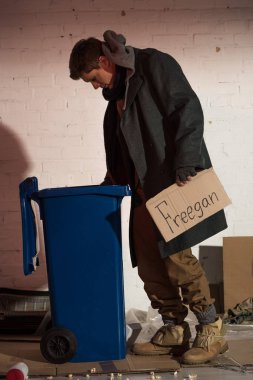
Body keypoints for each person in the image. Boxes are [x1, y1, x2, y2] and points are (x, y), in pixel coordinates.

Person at [69, 30, 228, 364]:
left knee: (177, 259)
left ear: (104, 61)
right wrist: (112, 181)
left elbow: (187, 108)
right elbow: (124, 142)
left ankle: (210, 328)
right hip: (142, 191)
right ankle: (173, 328)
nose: (95, 87)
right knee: (148, 263)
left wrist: (186, 161)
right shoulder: (116, 96)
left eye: (94, 78)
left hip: (171, 183)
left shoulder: (153, 64)